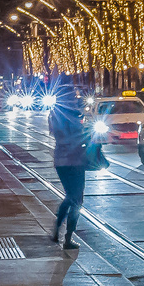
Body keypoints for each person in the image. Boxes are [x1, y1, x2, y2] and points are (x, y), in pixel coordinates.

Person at [48, 88, 87, 251]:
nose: (74, 99)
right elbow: (76, 137)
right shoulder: (71, 116)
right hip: (75, 161)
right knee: (76, 199)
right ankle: (68, 237)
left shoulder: (54, 115)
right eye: (72, 97)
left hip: (61, 161)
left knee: (70, 196)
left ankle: (57, 229)